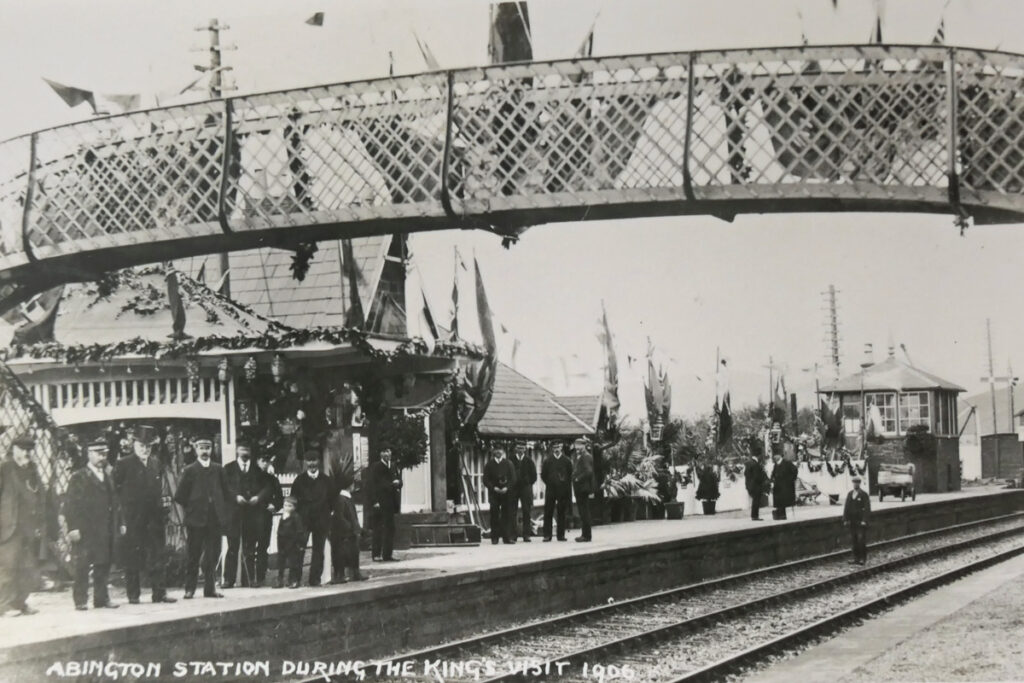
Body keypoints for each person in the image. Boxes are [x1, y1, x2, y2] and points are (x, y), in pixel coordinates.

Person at [113, 425, 175, 604]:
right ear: (134, 445)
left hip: (154, 519)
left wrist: (162, 509)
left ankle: (159, 593)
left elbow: (158, 490)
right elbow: (115, 491)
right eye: (141, 445)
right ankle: (133, 595)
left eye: (148, 446)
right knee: (132, 557)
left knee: (157, 555)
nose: (145, 449)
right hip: (133, 519)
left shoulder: (155, 463)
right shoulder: (123, 464)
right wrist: (122, 516)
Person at [65, 438, 123, 610]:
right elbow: (71, 504)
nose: (102, 457)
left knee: (103, 563)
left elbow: (115, 501)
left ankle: (101, 598)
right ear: (89, 454)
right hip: (86, 529)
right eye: (98, 453)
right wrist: (73, 527)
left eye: (104, 453)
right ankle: (81, 600)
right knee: (83, 565)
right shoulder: (79, 476)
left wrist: (120, 522)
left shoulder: (108, 475)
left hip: (105, 528)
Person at [173, 435, 229, 599]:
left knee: (211, 555)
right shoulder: (190, 470)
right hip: (196, 520)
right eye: (202, 448)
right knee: (193, 555)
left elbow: (226, 493)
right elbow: (180, 496)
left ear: (211, 450)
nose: (205, 452)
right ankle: (189, 589)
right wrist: (192, 508)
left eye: (208, 448)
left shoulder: (219, 469)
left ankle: (210, 589)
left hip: (214, 519)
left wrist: (221, 510)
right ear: (197, 450)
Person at [0, 431, 45, 616]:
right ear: (14, 449)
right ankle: (4, 605)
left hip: (28, 527)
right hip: (9, 527)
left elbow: (39, 494)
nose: (27, 453)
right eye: (23, 449)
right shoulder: (5, 468)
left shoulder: (32, 469)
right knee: (8, 567)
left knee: (27, 567)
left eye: (29, 449)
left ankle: (20, 602)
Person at [222, 440, 270, 588]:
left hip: (251, 513)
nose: (245, 452)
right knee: (232, 547)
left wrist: (258, 497)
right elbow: (224, 487)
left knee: (249, 548)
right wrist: (235, 497)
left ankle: (248, 580)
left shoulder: (257, 470)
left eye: (247, 449)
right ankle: (228, 580)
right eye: (242, 449)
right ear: (237, 450)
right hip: (234, 514)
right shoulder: (228, 468)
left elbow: (267, 486)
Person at [291, 450, 333, 585]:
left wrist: (327, 514)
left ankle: (314, 579)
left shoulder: (326, 480)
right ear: (305, 462)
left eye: (314, 460)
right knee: (299, 549)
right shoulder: (299, 481)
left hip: (321, 520)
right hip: (304, 520)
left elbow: (332, 500)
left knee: (318, 550)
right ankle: (295, 579)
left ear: (319, 462)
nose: (312, 464)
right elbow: (293, 500)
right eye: (309, 460)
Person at [368, 448, 403, 561]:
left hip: (391, 502)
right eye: (384, 451)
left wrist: (398, 483)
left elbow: (399, 480)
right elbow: (373, 485)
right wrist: (374, 501)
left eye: (388, 451)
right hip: (380, 501)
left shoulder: (392, 466)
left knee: (390, 527)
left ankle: (387, 554)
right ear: (380, 453)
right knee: (378, 528)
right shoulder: (376, 467)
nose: (387, 454)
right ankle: (376, 554)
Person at [254, 452, 282, 587]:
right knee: (248, 547)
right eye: (262, 460)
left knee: (263, 547)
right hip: (250, 517)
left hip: (265, 517)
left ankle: (260, 577)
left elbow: (280, 498)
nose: (265, 464)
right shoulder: (251, 477)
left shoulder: (272, 479)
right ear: (257, 461)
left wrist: (274, 505)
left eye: (267, 461)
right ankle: (247, 578)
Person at [330, 482, 366, 583]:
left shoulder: (346, 498)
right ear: (350, 486)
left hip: (349, 531)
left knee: (353, 552)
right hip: (345, 532)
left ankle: (353, 573)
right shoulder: (342, 499)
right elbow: (340, 516)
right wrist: (350, 527)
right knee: (343, 553)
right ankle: (342, 575)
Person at [482, 447, 516, 545]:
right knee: (494, 515)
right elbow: (485, 479)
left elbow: (513, 478)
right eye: (496, 450)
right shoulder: (489, 465)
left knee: (507, 515)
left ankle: (507, 537)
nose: (498, 452)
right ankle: (494, 538)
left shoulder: (508, 464)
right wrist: (493, 488)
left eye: (500, 450)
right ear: (493, 452)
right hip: (494, 493)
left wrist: (507, 487)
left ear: (503, 452)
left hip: (506, 493)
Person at [541, 442, 573, 542]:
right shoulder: (547, 461)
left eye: (558, 447)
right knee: (548, 512)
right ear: (552, 448)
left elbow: (570, 475)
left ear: (561, 447)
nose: (556, 449)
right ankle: (547, 535)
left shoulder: (567, 461)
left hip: (562, 490)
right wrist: (550, 483)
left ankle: (561, 535)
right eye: (554, 447)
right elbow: (543, 475)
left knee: (561, 512)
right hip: (550, 490)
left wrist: (565, 486)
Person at [276, 497, 305, 589]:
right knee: (281, 562)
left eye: (289, 506)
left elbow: (299, 531)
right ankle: (280, 580)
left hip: (292, 543)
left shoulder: (295, 517)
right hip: (282, 542)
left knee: (293, 563)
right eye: (285, 505)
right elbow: (279, 529)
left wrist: (299, 543)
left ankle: (293, 580)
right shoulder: (283, 517)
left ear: (294, 507)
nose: (287, 508)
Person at [510, 443, 537, 542]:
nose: (520, 450)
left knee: (526, 511)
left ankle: (526, 535)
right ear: (515, 449)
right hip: (514, 489)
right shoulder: (511, 460)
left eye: (522, 448)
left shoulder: (529, 461)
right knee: (513, 511)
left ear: (525, 449)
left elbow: (534, 477)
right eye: (518, 448)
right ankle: (513, 535)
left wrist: (527, 482)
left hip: (525, 489)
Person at [843, 475, 871, 565]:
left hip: (860, 522)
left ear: (859, 483)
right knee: (854, 540)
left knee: (861, 540)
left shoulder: (864, 494)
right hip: (852, 521)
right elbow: (846, 507)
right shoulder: (850, 494)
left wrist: (864, 520)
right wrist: (845, 519)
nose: (855, 484)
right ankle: (855, 558)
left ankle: (863, 558)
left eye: (857, 483)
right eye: (854, 483)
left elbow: (867, 508)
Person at [571, 438, 595, 542]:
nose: (577, 448)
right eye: (576, 445)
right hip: (579, 488)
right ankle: (584, 534)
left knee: (584, 512)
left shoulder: (586, 456)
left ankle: (586, 535)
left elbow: (588, 472)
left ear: (584, 446)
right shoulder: (579, 456)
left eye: (579, 446)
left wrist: (577, 478)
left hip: (583, 488)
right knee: (582, 511)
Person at [770, 452, 798, 520]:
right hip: (778, 486)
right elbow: (773, 474)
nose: (774, 456)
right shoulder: (776, 465)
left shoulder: (787, 463)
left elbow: (795, 470)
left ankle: (782, 515)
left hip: (785, 485)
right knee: (778, 500)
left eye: (776, 455)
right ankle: (780, 514)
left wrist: (791, 480)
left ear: (780, 455)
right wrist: (771, 480)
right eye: (774, 455)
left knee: (783, 500)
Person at [744, 452, 769, 522]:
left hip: (750, 485)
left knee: (755, 500)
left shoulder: (748, 463)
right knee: (756, 501)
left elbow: (746, 474)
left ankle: (754, 516)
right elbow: (757, 476)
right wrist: (763, 479)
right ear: (758, 456)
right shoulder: (755, 464)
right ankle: (755, 516)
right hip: (756, 485)